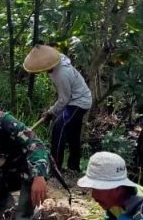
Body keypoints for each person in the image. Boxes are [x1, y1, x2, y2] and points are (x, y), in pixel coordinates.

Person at [23, 45, 92, 173]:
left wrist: (50, 112)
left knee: (58, 127)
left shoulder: (61, 73)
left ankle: (56, 167)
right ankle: (74, 166)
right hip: (74, 99)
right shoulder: (55, 65)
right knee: (73, 134)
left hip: (79, 101)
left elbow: (64, 99)